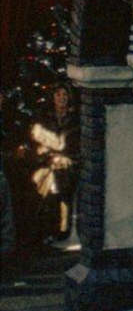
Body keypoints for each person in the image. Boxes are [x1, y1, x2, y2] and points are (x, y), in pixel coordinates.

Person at [30, 81, 78, 241]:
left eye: (65, 95)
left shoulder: (74, 119)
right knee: (47, 198)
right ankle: (46, 231)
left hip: (67, 165)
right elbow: (38, 139)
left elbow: (76, 144)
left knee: (65, 199)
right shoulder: (44, 118)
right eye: (58, 95)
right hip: (46, 164)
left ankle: (63, 232)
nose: (62, 98)